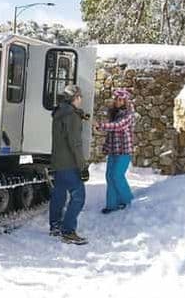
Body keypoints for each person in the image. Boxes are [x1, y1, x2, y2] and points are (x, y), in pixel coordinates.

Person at [50, 84, 89, 245]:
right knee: (79, 196)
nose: (81, 101)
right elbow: (75, 144)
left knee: (59, 195)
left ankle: (55, 225)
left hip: (58, 162)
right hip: (69, 163)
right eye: (80, 98)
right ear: (76, 98)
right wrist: (82, 167)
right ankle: (68, 231)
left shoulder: (60, 112)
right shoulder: (72, 116)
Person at [96, 88, 135, 214]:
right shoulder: (114, 114)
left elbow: (118, 126)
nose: (118, 102)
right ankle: (112, 205)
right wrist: (106, 147)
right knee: (109, 176)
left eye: (121, 100)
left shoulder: (128, 114)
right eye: (117, 99)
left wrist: (101, 125)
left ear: (125, 101)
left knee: (117, 176)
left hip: (124, 151)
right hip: (114, 151)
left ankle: (128, 200)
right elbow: (111, 134)